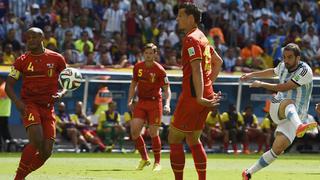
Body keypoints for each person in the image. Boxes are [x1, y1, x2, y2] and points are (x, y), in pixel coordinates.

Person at [240, 43, 317, 180]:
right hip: (278, 106)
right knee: (289, 102)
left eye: (289, 57)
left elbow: (286, 86)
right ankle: (300, 126)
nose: (286, 60)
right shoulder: (283, 65)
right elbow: (273, 72)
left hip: (295, 116)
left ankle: (248, 172)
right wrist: (252, 75)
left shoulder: (305, 71)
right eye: (284, 57)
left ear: (298, 58)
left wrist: (261, 83)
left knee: (278, 148)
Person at [169, 3, 223, 180]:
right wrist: (208, 87)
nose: (177, 19)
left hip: (194, 96)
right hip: (205, 94)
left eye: (180, 15)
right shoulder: (203, 38)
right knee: (193, 139)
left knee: (174, 138)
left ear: (191, 18)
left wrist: (200, 96)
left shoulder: (191, 39)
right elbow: (218, 62)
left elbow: (197, 69)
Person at [5, 27, 67, 180]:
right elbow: (8, 86)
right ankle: (18, 179)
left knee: (46, 152)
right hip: (30, 105)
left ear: (42, 38)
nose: (30, 40)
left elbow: (67, 81)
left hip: (48, 107)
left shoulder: (57, 58)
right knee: (36, 141)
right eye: (28, 37)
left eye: (34, 37)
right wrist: (18, 104)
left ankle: (20, 176)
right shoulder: (22, 60)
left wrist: (61, 93)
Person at [127, 43, 171, 171]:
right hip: (141, 102)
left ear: (155, 54)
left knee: (153, 132)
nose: (148, 55)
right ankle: (145, 158)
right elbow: (133, 84)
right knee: (134, 131)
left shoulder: (160, 70)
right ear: (143, 54)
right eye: (146, 53)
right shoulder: (138, 67)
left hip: (155, 103)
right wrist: (130, 100)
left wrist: (167, 103)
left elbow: (167, 89)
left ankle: (157, 163)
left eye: (151, 53)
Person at [0, 77, 13, 151]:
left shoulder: (3, 87)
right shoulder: (5, 86)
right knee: (4, 131)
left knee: (5, 132)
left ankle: (9, 147)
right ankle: (9, 147)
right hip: (3, 113)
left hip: (2, 113)